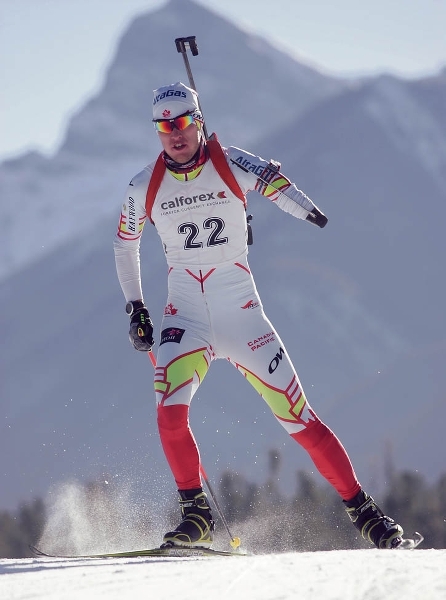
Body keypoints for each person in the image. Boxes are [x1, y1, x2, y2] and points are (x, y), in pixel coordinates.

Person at [114, 81, 405, 550]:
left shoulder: (228, 160)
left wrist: (308, 211)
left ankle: (366, 513)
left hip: (243, 317)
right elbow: (124, 244)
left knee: (300, 420)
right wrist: (137, 307)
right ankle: (197, 511)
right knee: (169, 412)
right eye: (164, 126)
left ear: (198, 120)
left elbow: (277, 185)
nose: (175, 133)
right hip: (184, 318)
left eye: (183, 122)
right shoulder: (142, 185)